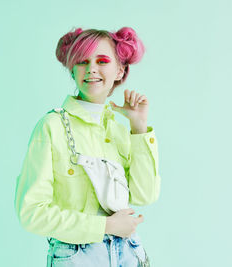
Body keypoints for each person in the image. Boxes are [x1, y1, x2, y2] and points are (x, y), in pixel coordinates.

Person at [14, 26, 161, 266]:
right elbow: (31, 213)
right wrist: (105, 226)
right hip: (77, 257)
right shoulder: (52, 126)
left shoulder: (120, 131)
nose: (91, 68)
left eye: (102, 60)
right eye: (82, 61)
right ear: (72, 71)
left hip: (129, 253)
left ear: (120, 70)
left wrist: (139, 127)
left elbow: (145, 195)